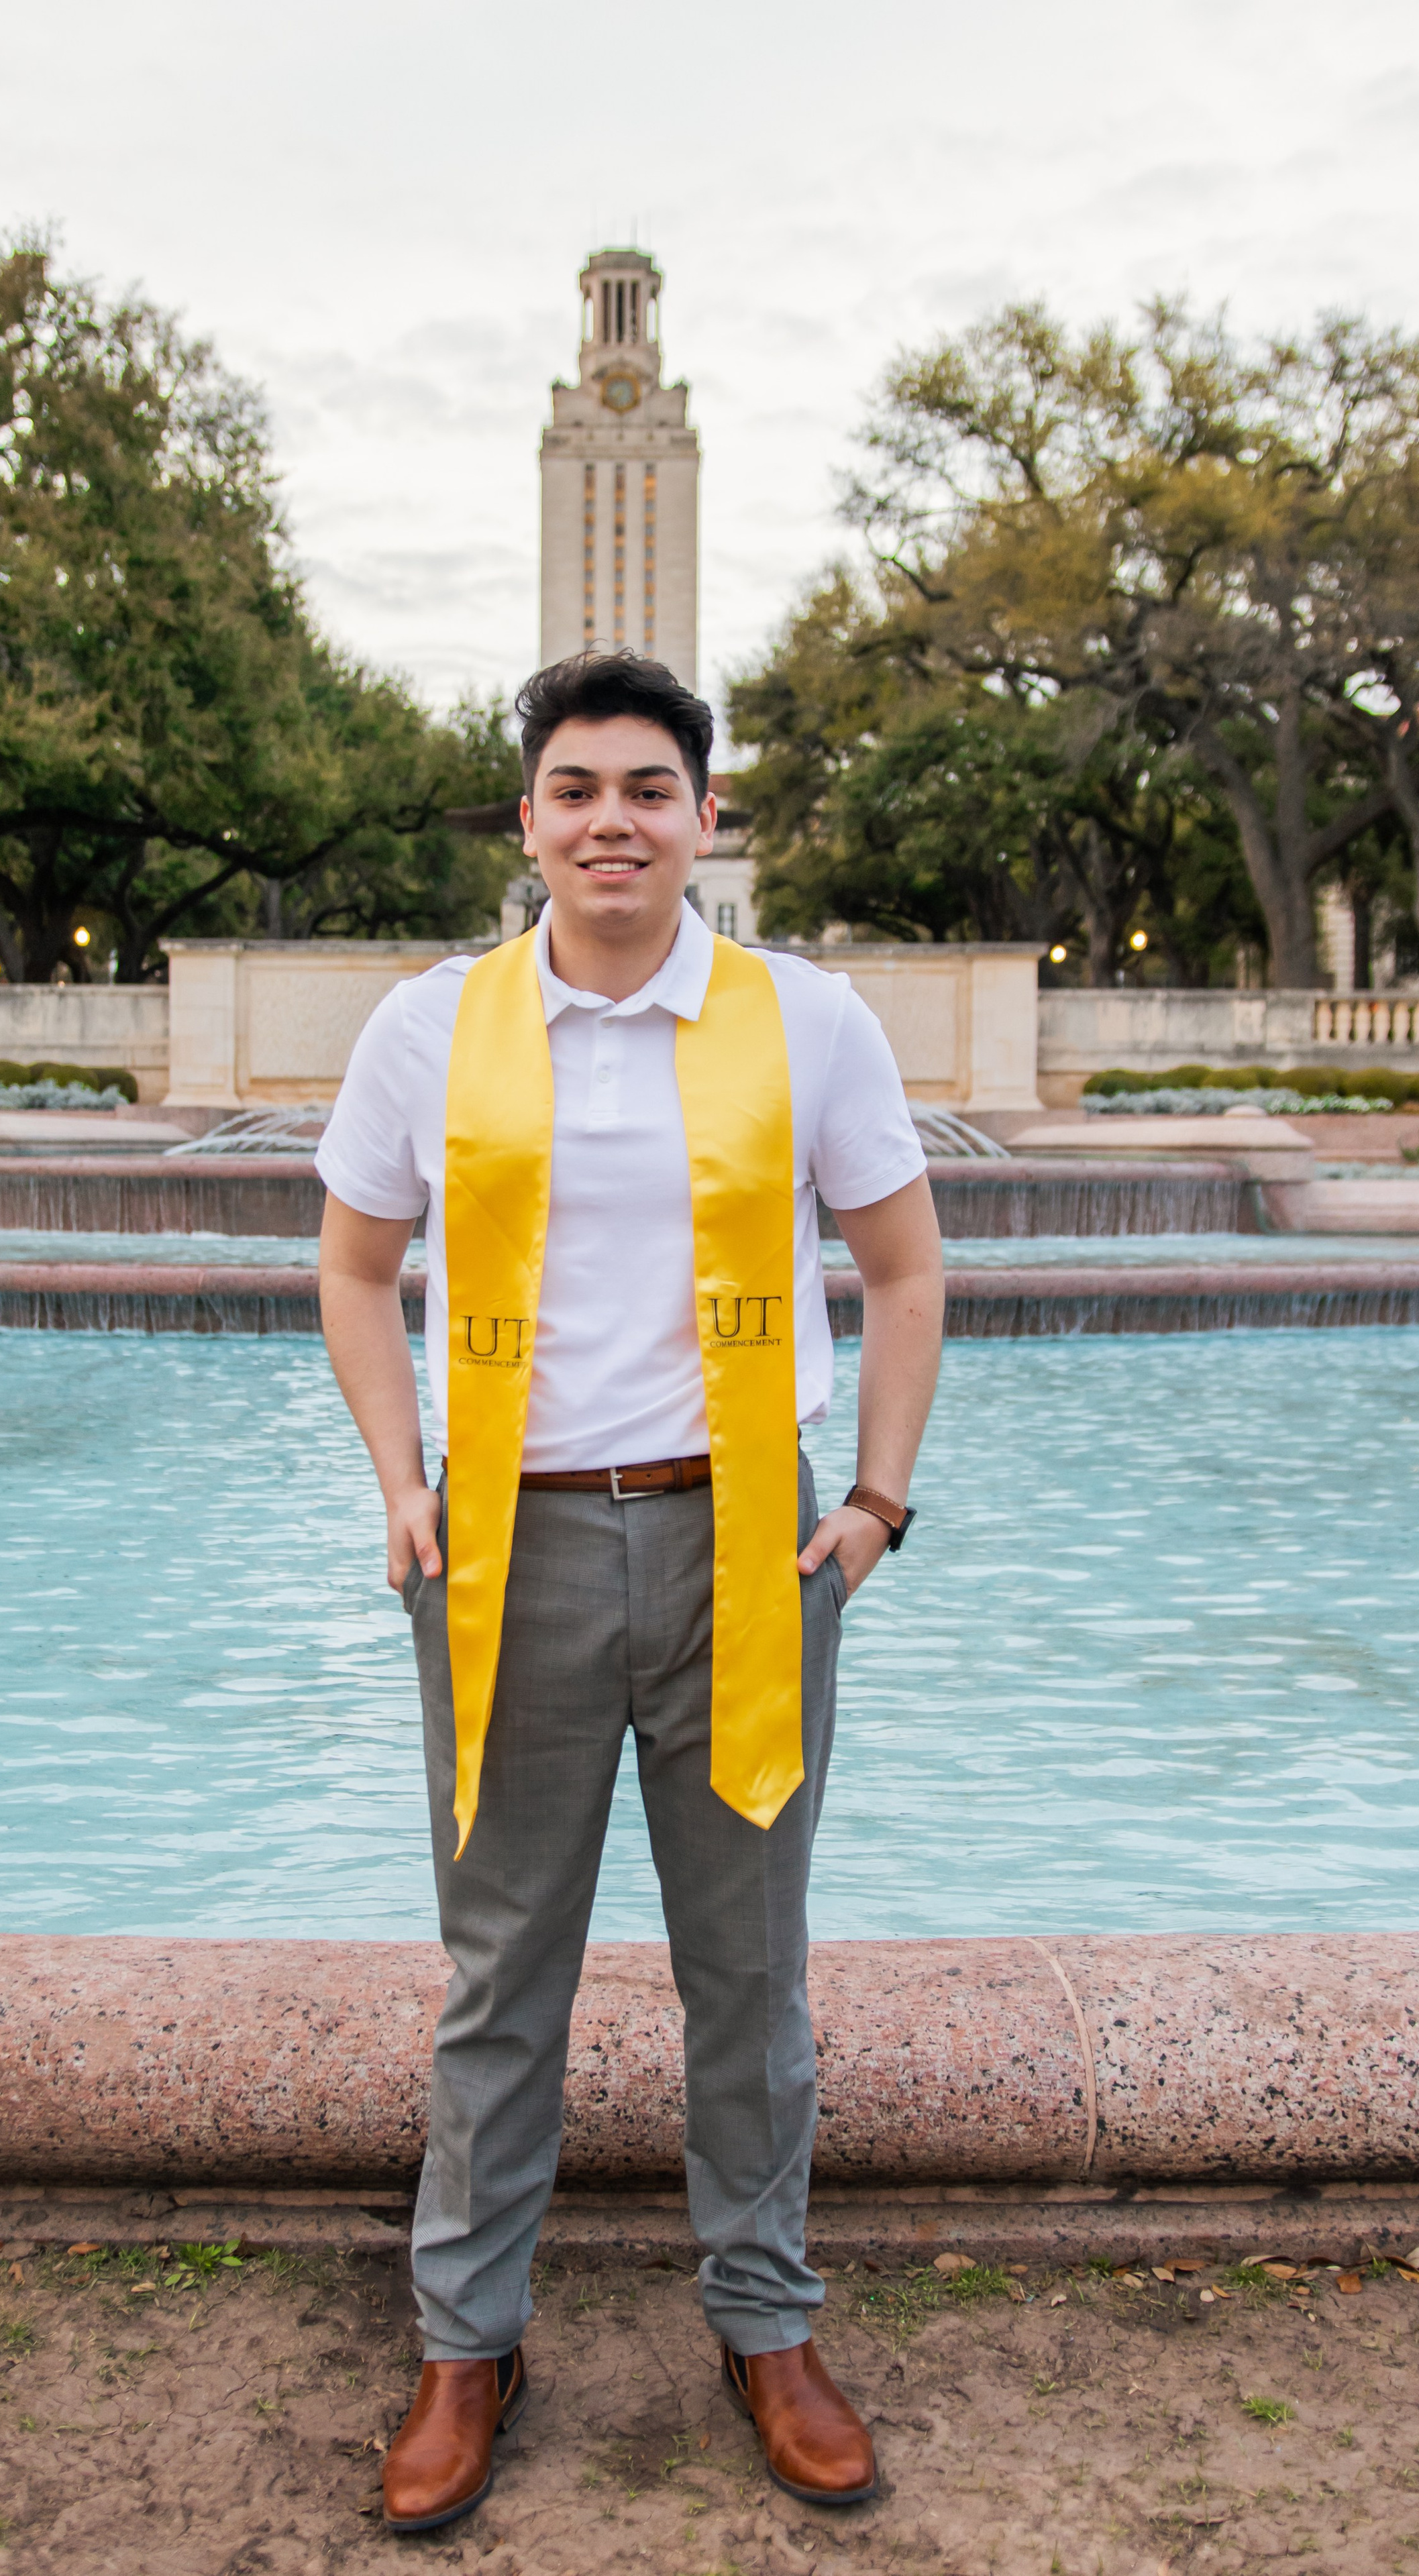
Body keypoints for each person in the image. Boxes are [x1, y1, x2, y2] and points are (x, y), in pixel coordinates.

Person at [315, 651, 945, 2534]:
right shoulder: (432, 1027)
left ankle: (768, 2326)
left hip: (744, 1540)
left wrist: (879, 1504)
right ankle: (467, 2341)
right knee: (501, 1972)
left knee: (749, 1972)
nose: (613, 821)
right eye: (578, 789)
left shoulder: (805, 1020)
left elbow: (906, 1266)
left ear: (703, 818)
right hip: (504, 1553)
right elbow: (353, 1269)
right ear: (530, 821)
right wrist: (403, 1482)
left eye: (649, 789)